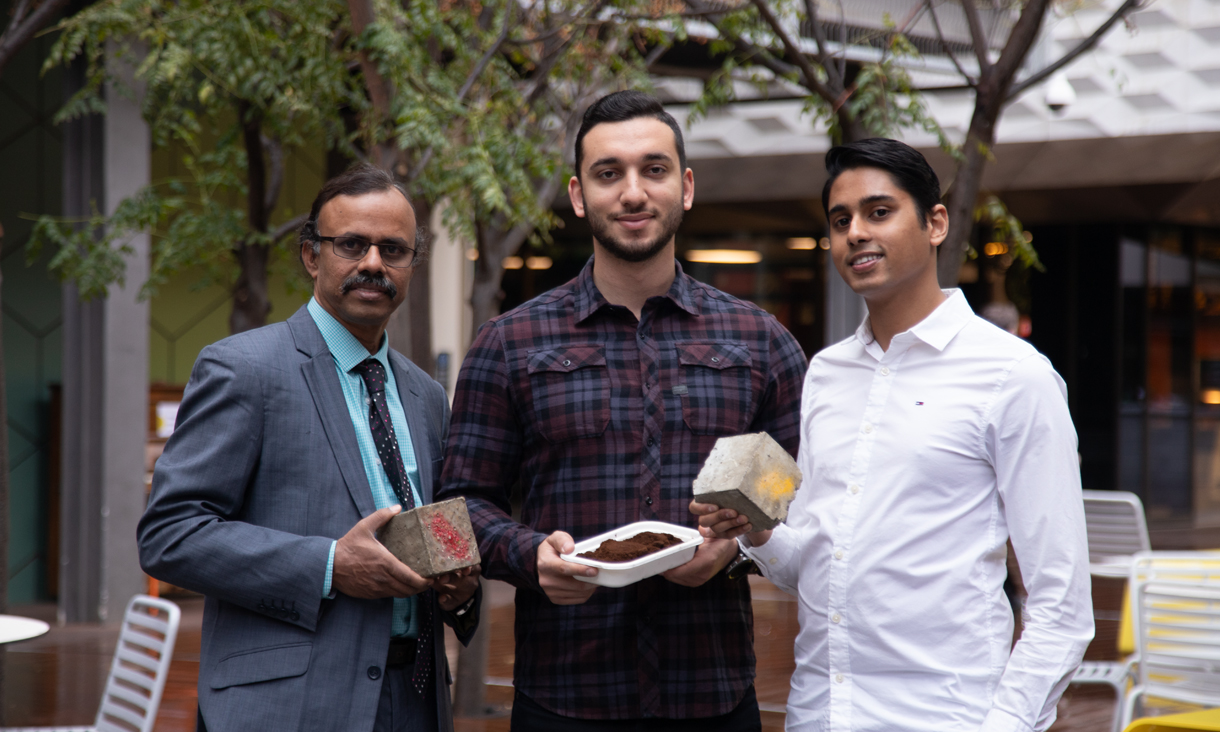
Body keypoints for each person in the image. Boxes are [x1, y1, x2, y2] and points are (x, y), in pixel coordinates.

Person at [436, 90, 807, 730]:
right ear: (579, 195)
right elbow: (460, 507)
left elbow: (797, 476)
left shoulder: (760, 339)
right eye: (609, 173)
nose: (633, 193)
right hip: (564, 696)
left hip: (713, 694)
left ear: (685, 186)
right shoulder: (510, 342)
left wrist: (736, 544)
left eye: (653, 170)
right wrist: (531, 556)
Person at [695, 138, 1093, 732]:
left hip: (947, 717)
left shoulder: (1014, 376)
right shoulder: (825, 373)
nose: (856, 232)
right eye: (840, 221)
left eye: (878, 212)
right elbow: (814, 561)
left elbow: (1062, 606)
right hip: (820, 714)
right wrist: (755, 529)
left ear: (936, 224)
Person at [138, 165, 480, 732]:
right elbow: (169, 534)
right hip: (290, 706)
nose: (374, 263)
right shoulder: (243, 369)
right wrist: (328, 566)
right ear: (311, 256)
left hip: (416, 700)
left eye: (393, 249)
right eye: (352, 244)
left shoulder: (425, 396)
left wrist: (460, 590)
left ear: (412, 265)